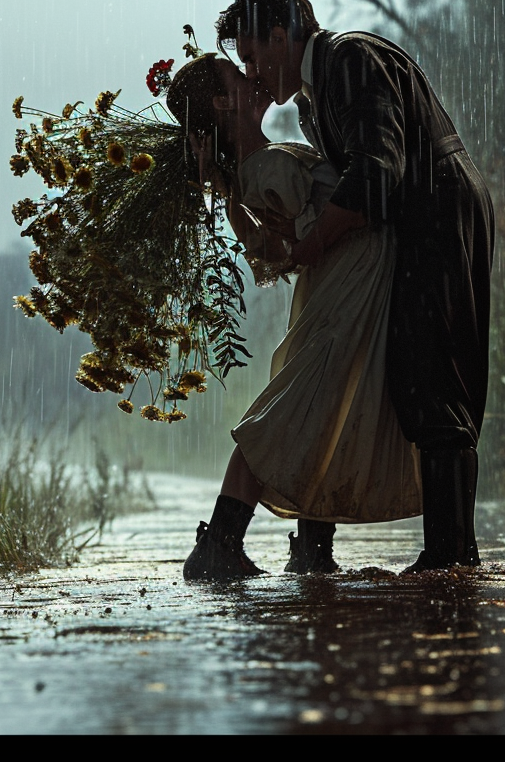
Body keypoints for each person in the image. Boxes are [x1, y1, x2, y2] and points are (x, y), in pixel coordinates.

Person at [215, 0, 495, 572]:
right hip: (417, 221)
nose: (253, 71)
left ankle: (451, 556)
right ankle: (446, 555)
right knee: (416, 377)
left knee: (434, 373)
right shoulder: (317, 96)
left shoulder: (349, 58)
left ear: (279, 34)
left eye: (253, 56)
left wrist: (311, 247)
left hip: (438, 213)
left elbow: (375, 174)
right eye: (242, 65)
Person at [167, 53, 423, 582]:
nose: (252, 76)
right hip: (345, 287)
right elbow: (319, 224)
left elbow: (272, 248)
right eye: (239, 76)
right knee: (294, 412)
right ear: (223, 102)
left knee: (325, 411)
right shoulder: (267, 166)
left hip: (342, 286)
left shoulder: (254, 170)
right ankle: (223, 543)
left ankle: (308, 549)